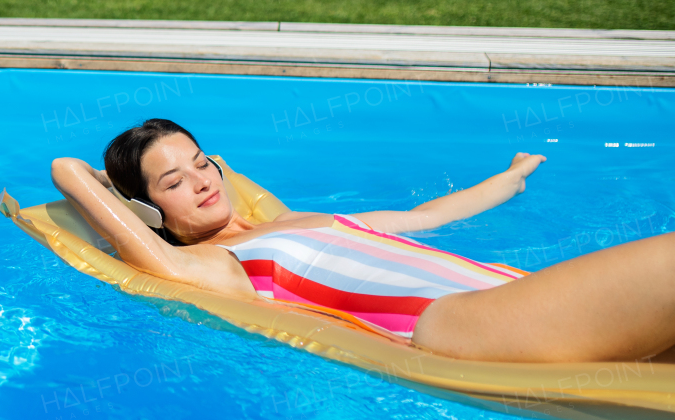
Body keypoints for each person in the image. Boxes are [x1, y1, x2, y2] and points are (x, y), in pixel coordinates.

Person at [50, 118, 675, 363]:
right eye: (172, 181)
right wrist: (116, 191)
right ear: (147, 209)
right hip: (456, 323)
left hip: (512, 293)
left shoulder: (310, 221)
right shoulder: (222, 265)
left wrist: (510, 178)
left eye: (201, 162)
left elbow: (429, 215)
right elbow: (67, 172)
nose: (202, 181)